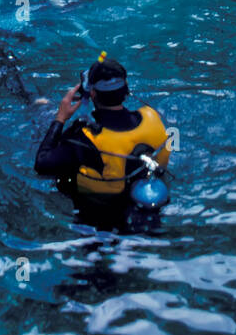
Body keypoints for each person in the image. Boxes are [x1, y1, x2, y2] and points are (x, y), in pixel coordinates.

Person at [35, 55, 170, 222]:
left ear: (91, 93)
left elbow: (41, 165)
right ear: (126, 89)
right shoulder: (153, 118)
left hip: (99, 222)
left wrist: (60, 118)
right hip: (151, 212)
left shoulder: (84, 138)